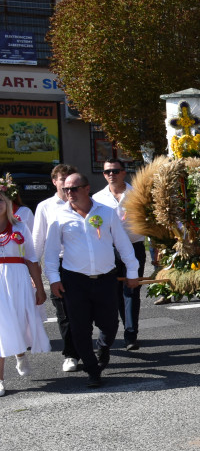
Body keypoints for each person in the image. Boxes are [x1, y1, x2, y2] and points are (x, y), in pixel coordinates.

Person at [44, 172, 140, 388]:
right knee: (79, 328)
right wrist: (53, 279)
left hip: (106, 278)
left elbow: (123, 244)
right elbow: (50, 254)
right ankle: (92, 369)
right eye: (66, 189)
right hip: (74, 280)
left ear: (87, 188)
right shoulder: (59, 216)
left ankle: (103, 348)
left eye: (74, 188)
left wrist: (132, 272)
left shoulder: (106, 212)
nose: (69, 192)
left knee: (109, 324)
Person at [93, 159, 147, 351]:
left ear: (124, 173)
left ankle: (131, 334)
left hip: (134, 247)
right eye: (107, 171)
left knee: (131, 290)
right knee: (114, 292)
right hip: (109, 250)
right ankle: (115, 331)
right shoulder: (97, 198)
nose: (111, 174)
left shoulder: (137, 194)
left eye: (115, 171)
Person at [0, 191, 50, 396]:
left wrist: (39, 286)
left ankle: (20, 353)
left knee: (19, 323)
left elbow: (31, 257)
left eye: (0, 199)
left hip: (18, 280)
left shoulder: (20, 226)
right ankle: (0, 379)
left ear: (8, 202)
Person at [32, 163, 81, 373]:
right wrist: (33, 272)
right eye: (62, 179)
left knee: (84, 311)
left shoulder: (83, 202)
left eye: (70, 179)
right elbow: (37, 240)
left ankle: (86, 347)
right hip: (58, 264)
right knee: (64, 312)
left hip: (82, 263)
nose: (66, 184)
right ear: (54, 182)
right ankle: (71, 354)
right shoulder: (45, 206)